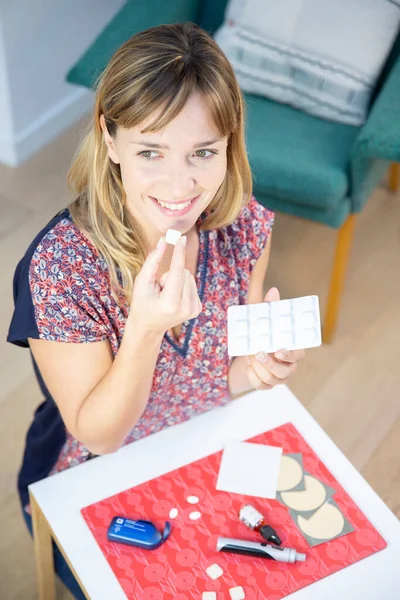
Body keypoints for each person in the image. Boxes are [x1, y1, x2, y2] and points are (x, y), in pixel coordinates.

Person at [7, 22, 305, 599]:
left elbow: (225, 375)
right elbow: (100, 436)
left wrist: (260, 369)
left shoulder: (243, 228)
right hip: (88, 473)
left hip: (202, 445)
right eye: (151, 151)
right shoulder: (61, 268)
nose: (180, 183)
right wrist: (142, 330)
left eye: (203, 152)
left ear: (230, 143)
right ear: (110, 140)